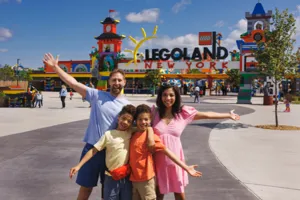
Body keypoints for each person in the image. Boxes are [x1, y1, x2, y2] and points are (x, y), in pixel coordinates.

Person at [43, 53, 130, 200]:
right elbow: (73, 83)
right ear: (109, 82)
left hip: (112, 152)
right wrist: (56, 67)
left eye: (119, 80)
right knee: (86, 188)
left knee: (108, 191)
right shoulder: (97, 95)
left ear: (124, 82)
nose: (117, 83)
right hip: (92, 149)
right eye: (114, 80)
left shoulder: (128, 106)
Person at [151, 84, 240, 200]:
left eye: (171, 95)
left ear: (176, 97)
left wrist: (228, 115)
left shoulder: (182, 113)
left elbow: (207, 115)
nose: (168, 98)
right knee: (158, 194)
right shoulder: (154, 113)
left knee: (179, 194)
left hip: (176, 161)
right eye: (165, 95)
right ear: (160, 97)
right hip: (157, 160)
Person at [130, 104, 202, 200]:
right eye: (140, 119)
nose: (143, 122)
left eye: (146, 119)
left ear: (150, 120)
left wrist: (186, 167)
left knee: (175, 192)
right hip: (134, 179)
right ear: (135, 120)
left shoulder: (151, 137)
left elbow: (167, 151)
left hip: (147, 178)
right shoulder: (132, 134)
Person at [70, 105, 138, 200]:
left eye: (129, 121)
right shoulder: (108, 134)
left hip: (126, 176)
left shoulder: (130, 132)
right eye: (123, 118)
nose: (125, 122)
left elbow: (146, 127)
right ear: (118, 117)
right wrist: (78, 166)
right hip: (111, 176)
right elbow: (93, 150)